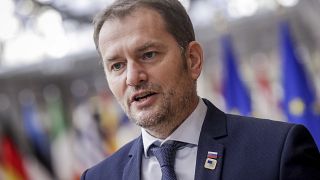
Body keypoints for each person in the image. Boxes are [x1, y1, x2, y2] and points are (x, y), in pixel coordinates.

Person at [81, 0, 320, 179]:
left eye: (148, 54)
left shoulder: (276, 151)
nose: (133, 77)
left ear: (193, 59)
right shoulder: (98, 177)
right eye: (117, 66)